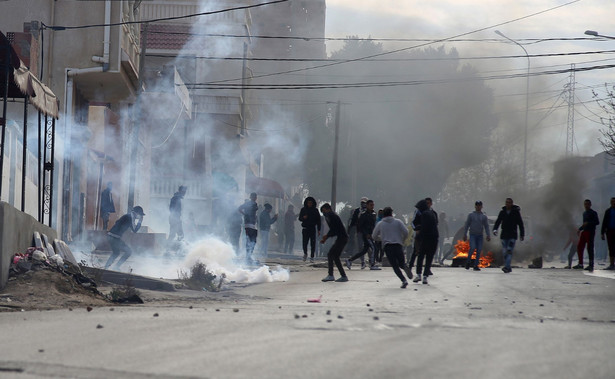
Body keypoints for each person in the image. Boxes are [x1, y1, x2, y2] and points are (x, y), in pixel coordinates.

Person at [372, 207, 411, 288]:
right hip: (398, 245)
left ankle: (404, 280)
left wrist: (381, 239)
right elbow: (406, 232)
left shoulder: (380, 224)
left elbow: (374, 236)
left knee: (395, 266)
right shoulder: (398, 222)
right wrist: (402, 240)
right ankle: (404, 266)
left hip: (388, 246)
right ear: (391, 213)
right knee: (401, 263)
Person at [105, 206, 145, 270]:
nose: (140, 217)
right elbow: (135, 230)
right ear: (136, 213)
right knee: (128, 251)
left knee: (116, 253)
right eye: (140, 215)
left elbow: (118, 222)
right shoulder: (130, 217)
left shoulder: (128, 216)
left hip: (112, 236)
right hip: (114, 237)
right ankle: (115, 267)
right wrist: (140, 222)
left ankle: (106, 267)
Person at [493, 198, 525, 273]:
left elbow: (520, 224)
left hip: (512, 235)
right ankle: (508, 266)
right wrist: (495, 229)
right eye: (507, 202)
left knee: (509, 251)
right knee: (504, 252)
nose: (508, 204)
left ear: (512, 203)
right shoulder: (502, 212)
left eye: (509, 202)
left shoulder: (516, 213)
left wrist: (522, 234)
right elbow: (498, 221)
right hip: (504, 235)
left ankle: (507, 267)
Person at [346, 199, 380, 270]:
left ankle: (349, 260)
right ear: (367, 205)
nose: (372, 206)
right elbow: (360, 226)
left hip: (371, 234)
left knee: (364, 251)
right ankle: (372, 264)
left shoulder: (373, 214)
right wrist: (366, 234)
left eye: (373, 205)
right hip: (366, 235)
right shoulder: (363, 215)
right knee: (374, 248)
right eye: (370, 205)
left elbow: (373, 225)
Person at [320, 203, 349, 282]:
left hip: (342, 238)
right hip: (342, 238)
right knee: (335, 256)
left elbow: (334, 229)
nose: (324, 213)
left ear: (328, 209)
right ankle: (342, 276)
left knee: (331, 254)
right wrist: (326, 237)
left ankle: (331, 275)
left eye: (324, 211)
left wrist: (326, 236)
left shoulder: (332, 216)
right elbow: (334, 229)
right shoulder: (332, 215)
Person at [412, 199, 438, 284]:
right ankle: (425, 276)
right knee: (429, 258)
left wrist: (418, 236)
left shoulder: (424, 214)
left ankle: (419, 274)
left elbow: (424, 228)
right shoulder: (432, 213)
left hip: (426, 238)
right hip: (434, 238)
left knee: (421, 256)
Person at [463, 201, 491, 271]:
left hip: (480, 235)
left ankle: (476, 265)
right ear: (475, 206)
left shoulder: (483, 216)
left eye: (479, 206)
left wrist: (488, 235)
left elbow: (486, 226)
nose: (478, 207)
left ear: (482, 207)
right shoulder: (471, 215)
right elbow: (467, 225)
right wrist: (465, 234)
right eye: (477, 205)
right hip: (472, 234)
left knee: (479, 250)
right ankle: (468, 261)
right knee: (472, 247)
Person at [575, 199, 600, 271]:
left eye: (588, 204)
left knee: (590, 248)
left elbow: (597, 222)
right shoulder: (584, 213)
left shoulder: (593, 213)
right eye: (585, 204)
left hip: (590, 231)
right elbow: (584, 224)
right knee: (579, 247)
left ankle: (591, 264)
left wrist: (589, 223)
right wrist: (580, 229)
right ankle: (580, 263)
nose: (586, 206)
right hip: (584, 231)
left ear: (590, 205)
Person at [298, 196, 321, 263]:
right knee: (305, 243)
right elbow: (299, 218)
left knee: (313, 243)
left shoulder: (315, 210)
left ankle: (312, 256)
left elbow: (318, 220)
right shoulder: (303, 210)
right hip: (305, 228)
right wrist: (303, 218)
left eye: (311, 203)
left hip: (312, 229)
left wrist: (319, 229)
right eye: (308, 203)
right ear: (306, 203)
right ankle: (305, 253)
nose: (309, 204)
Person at [238, 192, 259, 263]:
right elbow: (240, 208)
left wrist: (245, 214)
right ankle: (248, 256)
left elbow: (240, 208)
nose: (256, 198)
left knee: (250, 240)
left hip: (250, 224)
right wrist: (246, 214)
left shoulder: (248, 203)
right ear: (252, 197)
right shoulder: (253, 204)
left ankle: (248, 256)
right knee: (252, 240)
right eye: (255, 197)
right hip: (250, 224)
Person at [601, 197, 615, 270]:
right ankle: (612, 264)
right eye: (612, 201)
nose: (613, 203)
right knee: (611, 248)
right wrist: (602, 233)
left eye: (614, 201)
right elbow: (604, 222)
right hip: (610, 231)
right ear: (610, 202)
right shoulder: (608, 211)